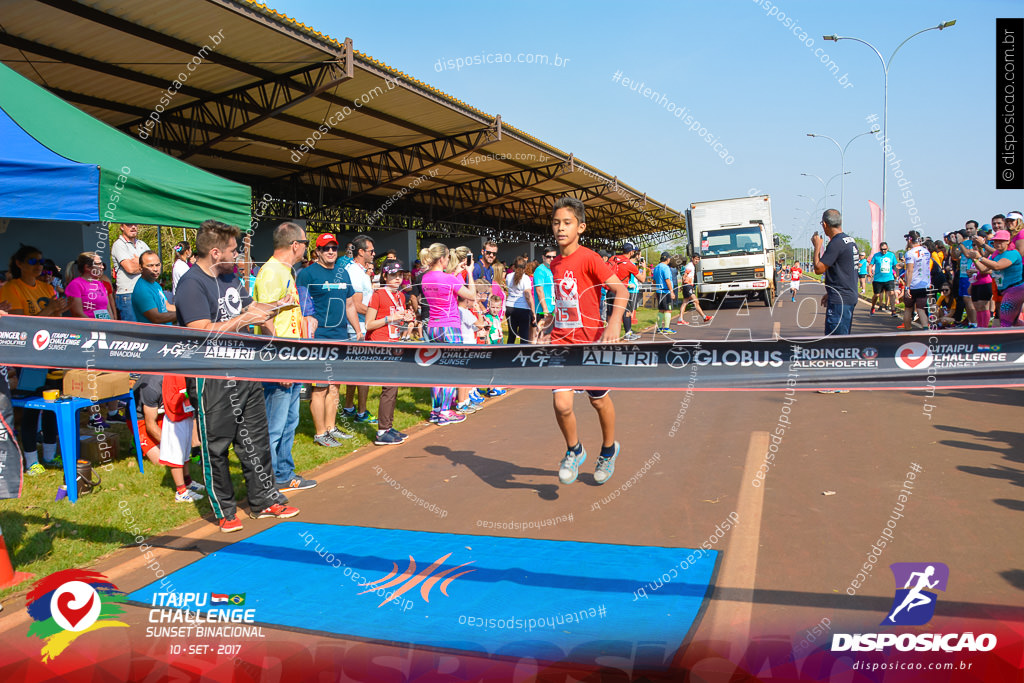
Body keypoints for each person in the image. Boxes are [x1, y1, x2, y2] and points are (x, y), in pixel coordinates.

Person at [175, 219, 298, 533]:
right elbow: (201, 332)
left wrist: (272, 311)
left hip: (245, 370)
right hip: (211, 377)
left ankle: (265, 499)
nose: (239, 256)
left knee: (255, 440)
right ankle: (225, 510)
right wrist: (246, 318)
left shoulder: (231, 279)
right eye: (233, 250)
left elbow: (250, 310)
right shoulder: (191, 283)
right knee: (216, 446)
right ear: (216, 252)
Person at [537, 197, 627, 486]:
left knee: (598, 400)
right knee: (561, 404)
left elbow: (621, 290)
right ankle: (575, 450)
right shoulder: (556, 262)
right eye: (556, 223)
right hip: (561, 342)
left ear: (581, 226)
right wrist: (548, 323)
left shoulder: (589, 257)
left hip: (590, 343)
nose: (560, 228)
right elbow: (566, 301)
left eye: (567, 223)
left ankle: (609, 449)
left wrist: (613, 324)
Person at [253, 222, 319, 493]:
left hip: (291, 356)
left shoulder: (285, 271)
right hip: (277, 360)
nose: (306, 248)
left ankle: (283, 473)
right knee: (274, 425)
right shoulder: (271, 272)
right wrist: (280, 361)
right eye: (305, 243)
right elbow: (264, 316)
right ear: (295, 245)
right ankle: (266, 482)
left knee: (290, 421)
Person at [1, 245, 68, 474]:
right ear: (19, 264)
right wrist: (49, 309)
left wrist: (58, 309)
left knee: (52, 405)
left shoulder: (47, 287)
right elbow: (22, 329)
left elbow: (56, 322)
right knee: (31, 407)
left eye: (41, 261)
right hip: (28, 357)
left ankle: (49, 456)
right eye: (32, 261)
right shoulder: (12, 288)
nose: (38, 265)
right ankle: (31, 461)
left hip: (51, 354)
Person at [296, 233, 360, 447]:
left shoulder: (344, 274)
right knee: (320, 387)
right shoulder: (307, 274)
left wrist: (357, 330)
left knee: (335, 385)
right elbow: (303, 309)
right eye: (326, 248)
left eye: (333, 248)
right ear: (317, 252)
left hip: (341, 336)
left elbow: (350, 304)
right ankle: (320, 433)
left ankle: (331, 428)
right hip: (319, 339)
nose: (331, 251)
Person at [419, 243, 476, 426]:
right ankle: (445, 411)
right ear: (443, 258)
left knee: (438, 369)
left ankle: (437, 410)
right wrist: (471, 273)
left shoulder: (425, 278)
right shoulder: (449, 279)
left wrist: (457, 273)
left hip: (434, 326)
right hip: (450, 326)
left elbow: (443, 284)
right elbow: (471, 295)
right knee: (452, 369)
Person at [133, 374, 205, 502]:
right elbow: (150, 424)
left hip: (174, 414)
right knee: (165, 461)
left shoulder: (184, 376)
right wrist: (171, 446)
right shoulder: (152, 386)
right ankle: (181, 491)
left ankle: (187, 482)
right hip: (145, 419)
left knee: (183, 449)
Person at [364, 260, 413, 445]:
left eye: (400, 275)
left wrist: (406, 320)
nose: (397, 278)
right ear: (385, 276)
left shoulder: (400, 296)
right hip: (379, 345)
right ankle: (382, 431)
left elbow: (397, 324)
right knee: (389, 387)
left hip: (394, 343)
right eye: (393, 275)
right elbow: (369, 324)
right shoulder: (378, 294)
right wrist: (389, 318)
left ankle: (388, 426)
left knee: (394, 387)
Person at [342, 235, 377, 425]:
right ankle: (361, 413)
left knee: (355, 371)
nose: (374, 253)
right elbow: (355, 305)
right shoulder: (355, 272)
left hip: (358, 326)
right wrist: (378, 315)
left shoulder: (360, 271)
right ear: (361, 252)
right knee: (364, 372)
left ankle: (349, 407)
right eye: (371, 250)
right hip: (359, 327)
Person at [811, 209, 859, 337]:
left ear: (825, 224)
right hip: (847, 295)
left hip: (841, 299)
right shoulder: (850, 240)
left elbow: (818, 269)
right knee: (842, 337)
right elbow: (844, 270)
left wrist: (817, 247)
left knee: (836, 342)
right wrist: (830, 291)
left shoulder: (836, 243)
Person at [962, 229, 1024, 326]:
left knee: (1005, 320)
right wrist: (974, 258)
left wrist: (980, 257)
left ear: (1008, 241)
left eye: (1001, 241)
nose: (998, 243)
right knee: (1014, 322)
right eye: (996, 241)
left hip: (1015, 290)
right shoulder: (995, 255)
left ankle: (1002, 341)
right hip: (1006, 291)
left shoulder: (1013, 253)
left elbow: (997, 266)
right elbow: (983, 269)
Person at [111, 223, 150, 321]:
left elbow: (156, 266)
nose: (133, 227)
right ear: (121, 227)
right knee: (133, 331)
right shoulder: (119, 244)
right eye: (128, 224)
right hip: (128, 293)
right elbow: (130, 269)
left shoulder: (142, 244)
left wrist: (138, 262)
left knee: (148, 328)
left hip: (145, 292)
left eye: (135, 224)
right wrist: (146, 265)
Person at [607, 243, 644, 340]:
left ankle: (608, 335)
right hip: (621, 291)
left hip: (610, 290)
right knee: (627, 312)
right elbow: (642, 279)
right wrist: (643, 267)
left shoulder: (613, 258)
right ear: (631, 252)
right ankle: (628, 333)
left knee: (610, 314)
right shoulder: (629, 264)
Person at [66, 252, 116, 320]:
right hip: (88, 328)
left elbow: (108, 309)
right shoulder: (75, 285)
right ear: (87, 268)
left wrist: (111, 325)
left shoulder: (100, 284)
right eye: (98, 264)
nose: (102, 267)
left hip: (104, 327)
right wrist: (95, 325)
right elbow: (77, 313)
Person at [131, 251, 177, 324]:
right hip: (153, 334)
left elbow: (166, 306)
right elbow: (156, 318)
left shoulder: (156, 285)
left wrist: (187, 310)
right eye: (150, 266)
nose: (155, 269)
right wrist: (183, 314)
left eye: (157, 265)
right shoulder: (142, 290)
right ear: (140, 267)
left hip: (165, 333)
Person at [899, 231, 932, 331]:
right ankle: (926, 329)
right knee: (921, 309)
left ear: (910, 239)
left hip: (913, 285)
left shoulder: (910, 253)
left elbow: (910, 270)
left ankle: (907, 330)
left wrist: (907, 287)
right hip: (924, 284)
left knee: (908, 308)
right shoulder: (926, 251)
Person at [505, 255, 535, 344]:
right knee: (524, 336)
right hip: (523, 308)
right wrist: (533, 311)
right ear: (525, 267)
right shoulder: (525, 278)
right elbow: (528, 295)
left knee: (511, 335)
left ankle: (508, 354)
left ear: (514, 266)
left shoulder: (508, 276)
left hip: (510, 307)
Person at [678, 255, 711, 324]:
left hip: (687, 286)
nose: (697, 261)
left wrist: (682, 286)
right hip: (688, 286)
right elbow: (685, 275)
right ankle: (704, 317)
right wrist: (684, 285)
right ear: (692, 259)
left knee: (685, 303)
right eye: (696, 259)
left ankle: (680, 319)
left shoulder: (692, 265)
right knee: (696, 301)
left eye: (698, 259)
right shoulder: (690, 266)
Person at [532, 247, 556, 342]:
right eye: (548, 257)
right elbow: (539, 290)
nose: (551, 259)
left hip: (553, 308)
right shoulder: (540, 270)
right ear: (543, 257)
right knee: (542, 336)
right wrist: (545, 309)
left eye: (554, 257)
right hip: (544, 309)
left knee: (550, 336)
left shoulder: (553, 270)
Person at [869, 242, 899, 316]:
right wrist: (869, 272)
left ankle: (893, 310)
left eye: (885, 249)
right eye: (882, 249)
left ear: (887, 248)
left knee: (891, 293)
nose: (883, 251)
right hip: (878, 279)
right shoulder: (876, 255)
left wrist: (897, 275)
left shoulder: (891, 255)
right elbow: (870, 265)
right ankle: (872, 307)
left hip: (889, 278)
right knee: (877, 295)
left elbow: (896, 266)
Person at [652, 251, 675, 334]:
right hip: (665, 291)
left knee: (661, 310)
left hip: (659, 291)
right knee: (668, 310)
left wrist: (655, 290)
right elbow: (667, 280)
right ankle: (666, 328)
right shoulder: (665, 268)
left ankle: (659, 328)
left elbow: (654, 281)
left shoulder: (656, 267)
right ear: (668, 259)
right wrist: (672, 291)